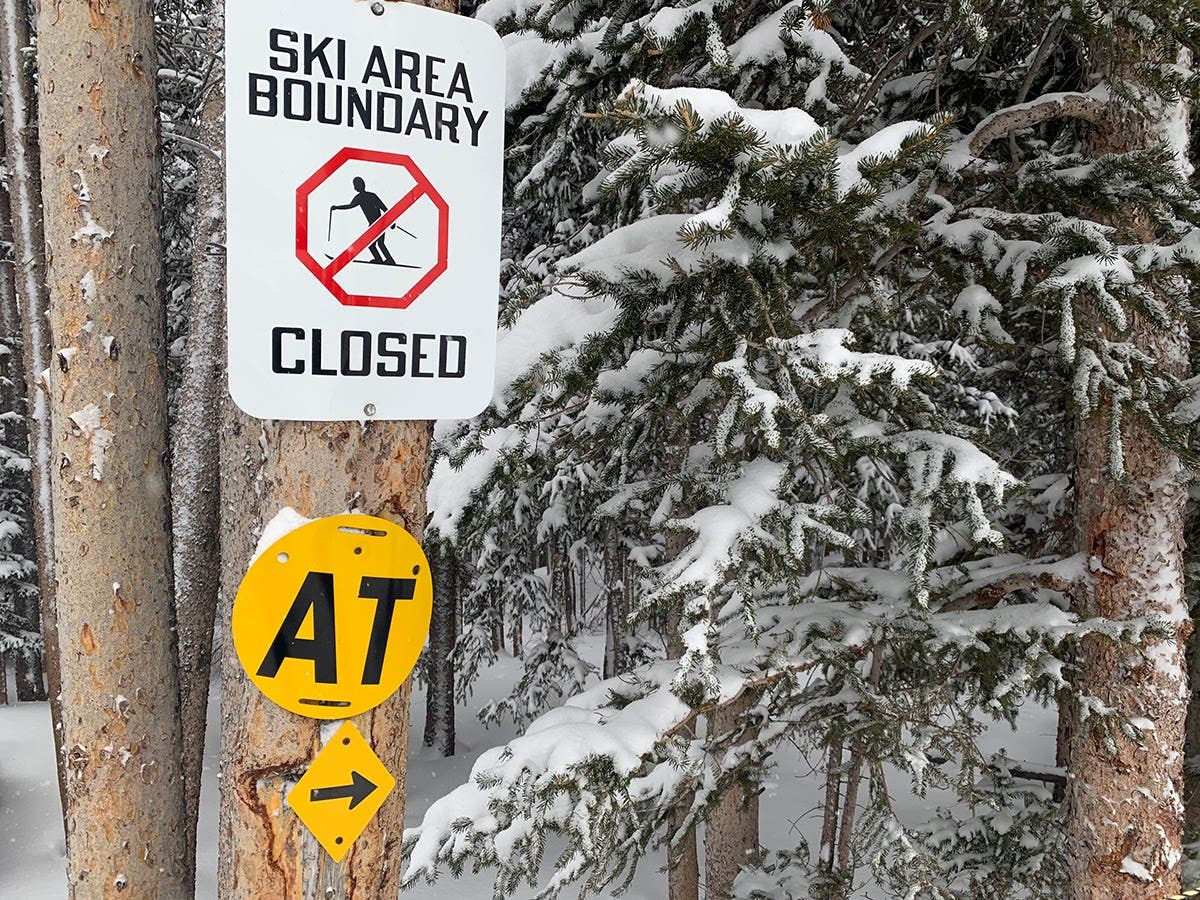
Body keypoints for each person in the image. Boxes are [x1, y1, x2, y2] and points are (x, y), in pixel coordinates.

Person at [330, 176, 400, 265]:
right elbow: (350, 206)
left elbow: (384, 208)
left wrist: (391, 222)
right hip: (377, 223)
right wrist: (337, 207)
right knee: (376, 244)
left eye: (355, 185)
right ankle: (381, 259)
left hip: (379, 223)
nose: (354, 187)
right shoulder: (368, 196)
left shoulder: (364, 197)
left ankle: (388, 260)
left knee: (377, 244)